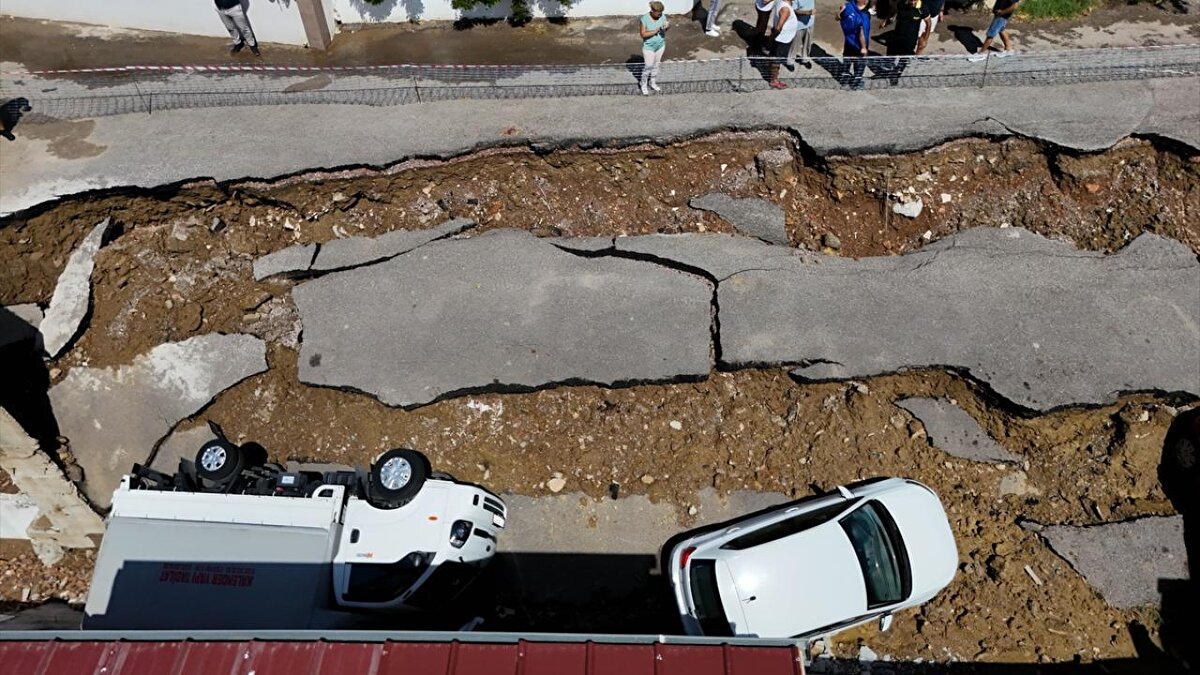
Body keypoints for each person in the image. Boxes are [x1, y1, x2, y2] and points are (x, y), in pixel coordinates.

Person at [884, 0, 921, 84]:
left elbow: (928, 22)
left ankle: (896, 75)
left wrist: (924, 39)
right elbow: (894, 10)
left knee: (904, 59)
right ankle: (890, 69)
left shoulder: (922, 8)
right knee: (890, 55)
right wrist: (887, 20)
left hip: (910, 39)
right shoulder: (901, 4)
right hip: (897, 36)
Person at [839, 0, 872, 90]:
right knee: (860, 65)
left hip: (848, 42)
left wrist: (840, 12)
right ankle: (856, 83)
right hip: (859, 45)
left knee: (847, 61)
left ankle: (844, 80)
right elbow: (861, 32)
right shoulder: (865, 15)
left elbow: (838, 17)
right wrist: (864, 47)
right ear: (864, 1)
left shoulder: (848, 7)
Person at [638, 1, 670, 95]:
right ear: (652, 10)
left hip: (660, 45)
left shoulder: (662, 16)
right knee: (648, 67)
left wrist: (667, 27)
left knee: (656, 65)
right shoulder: (644, 19)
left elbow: (666, 28)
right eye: (658, 12)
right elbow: (643, 34)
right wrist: (657, 30)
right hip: (649, 47)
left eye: (661, 12)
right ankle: (643, 84)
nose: (660, 14)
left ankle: (652, 82)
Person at [768, 0, 799, 88]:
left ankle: (772, 71)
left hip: (784, 37)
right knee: (777, 59)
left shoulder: (780, 2)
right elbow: (778, 28)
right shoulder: (785, 9)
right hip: (782, 39)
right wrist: (771, 38)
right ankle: (774, 80)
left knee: (775, 56)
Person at [785, 0, 815, 67]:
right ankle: (790, 61)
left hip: (810, 23)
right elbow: (793, 11)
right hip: (798, 25)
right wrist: (807, 13)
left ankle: (805, 59)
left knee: (807, 43)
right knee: (794, 44)